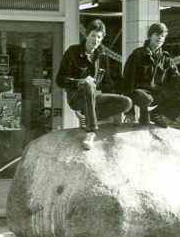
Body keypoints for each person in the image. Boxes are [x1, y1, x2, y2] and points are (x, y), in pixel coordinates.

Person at [56, 19, 132, 150]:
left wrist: (123, 111)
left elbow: (108, 82)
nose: (96, 40)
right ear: (86, 35)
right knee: (89, 84)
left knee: (127, 103)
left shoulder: (101, 55)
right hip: (76, 97)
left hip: (94, 97)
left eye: (99, 37)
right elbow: (60, 80)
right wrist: (81, 81)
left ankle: (89, 116)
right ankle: (91, 132)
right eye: (93, 35)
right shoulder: (73, 52)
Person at [122, 22, 180, 127]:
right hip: (141, 95)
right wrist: (129, 112)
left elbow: (176, 75)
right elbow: (127, 82)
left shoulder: (165, 58)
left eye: (163, 36)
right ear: (150, 36)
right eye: (157, 35)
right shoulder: (137, 54)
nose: (160, 38)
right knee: (145, 102)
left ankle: (157, 114)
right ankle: (145, 116)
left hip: (158, 94)